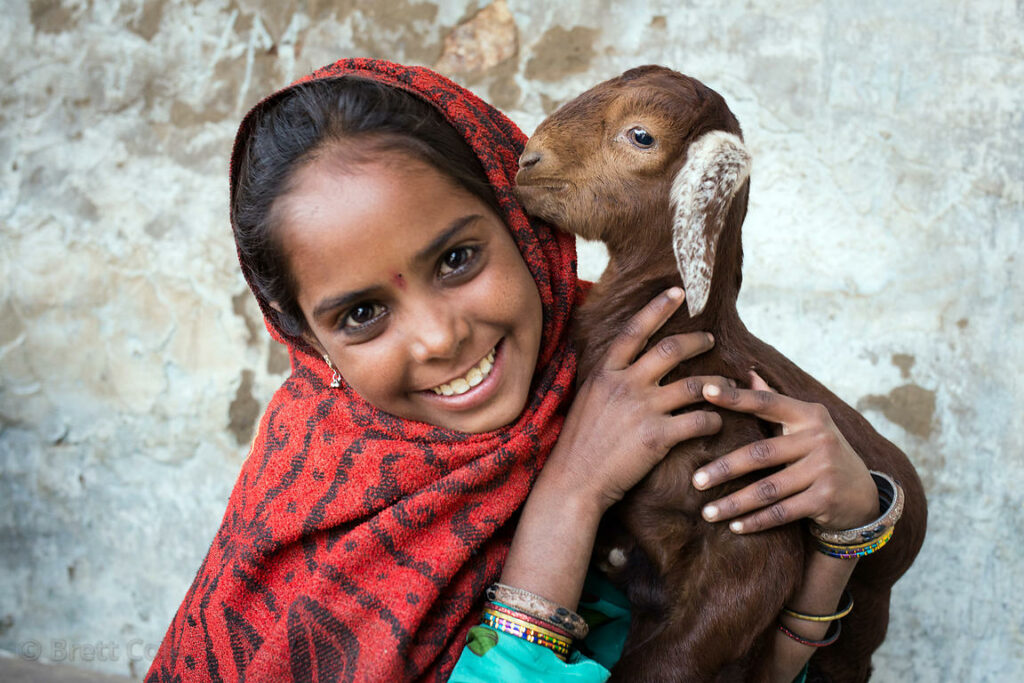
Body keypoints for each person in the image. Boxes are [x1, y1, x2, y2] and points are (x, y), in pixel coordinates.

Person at [146, 59, 924, 683]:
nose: (441, 338)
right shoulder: (314, 493)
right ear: (304, 337)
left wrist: (845, 533)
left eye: (457, 258)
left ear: (520, 223)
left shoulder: (643, 374)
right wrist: (570, 497)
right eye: (360, 314)